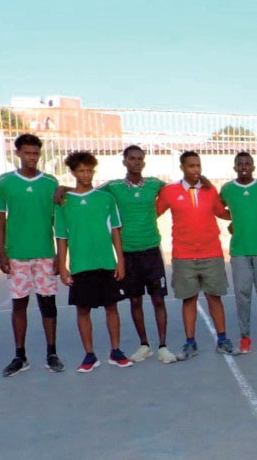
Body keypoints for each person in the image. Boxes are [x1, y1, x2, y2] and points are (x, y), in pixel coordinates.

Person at [55, 152, 133, 372]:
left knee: (112, 307)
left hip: (106, 263)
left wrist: (121, 261)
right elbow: (62, 238)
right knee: (83, 310)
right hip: (81, 265)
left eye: (89, 170)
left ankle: (115, 351)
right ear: (73, 173)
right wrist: (62, 266)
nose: (86, 174)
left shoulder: (106, 199)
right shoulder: (63, 202)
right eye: (81, 170)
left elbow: (115, 231)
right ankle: (89, 355)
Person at [100, 146, 176, 364]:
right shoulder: (113, 187)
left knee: (158, 299)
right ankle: (145, 345)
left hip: (152, 251)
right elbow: (88, 192)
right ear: (124, 161)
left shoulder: (155, 184)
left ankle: (163, 346)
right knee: (135, 301)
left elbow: (178, 189)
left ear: (144, 162)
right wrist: (64, 188)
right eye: (131, 159)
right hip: (128, 253)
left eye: (139, 159)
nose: (136, 162)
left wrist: (203, 182)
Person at [0, 133, 63, 376]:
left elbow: (59, 220)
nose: (32, 157)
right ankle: (20, 356)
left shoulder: (50, 182)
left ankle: (51, 353)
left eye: (35, 153)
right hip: (17, 254)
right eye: (27, 153)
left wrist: (59, 255)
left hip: (45, 253)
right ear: (18, 154)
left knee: (48, 304)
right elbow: (1, 217)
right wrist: (2, 252)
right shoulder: (5, 182)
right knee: (19, 304)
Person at [157, 151, 234, 359]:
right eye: (191, 166)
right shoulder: (169, 191)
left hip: (212, 253)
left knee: (214, 297)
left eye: (198, 165)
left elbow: (222, 212)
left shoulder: (210, 190)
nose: (196, 170)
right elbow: (153, 212)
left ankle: (223, 339)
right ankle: (190, 343)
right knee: (189, 299)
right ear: (182, 167)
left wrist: (242, 213)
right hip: (183, 255)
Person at [221, 152, 257, 354]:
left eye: (247, 163)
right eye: (240, 164)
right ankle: (245, 337)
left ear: (253, 167)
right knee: (242, 295)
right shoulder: (227, 189)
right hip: (239, 251)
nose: (244, 166)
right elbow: (218, 208)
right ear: (234, 167)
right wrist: (232, 221)